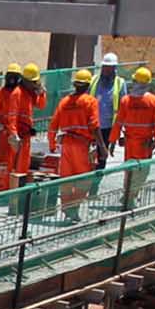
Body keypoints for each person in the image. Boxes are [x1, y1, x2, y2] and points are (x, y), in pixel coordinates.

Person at [48, 70, 103, 214]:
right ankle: (74, 207)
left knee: (66, 177)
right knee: (84, 179)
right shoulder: (90, 101)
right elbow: (95, 126)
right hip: (83, 145)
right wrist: (102, 147)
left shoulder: (65, 101)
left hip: (66, 145)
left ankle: (67, 207)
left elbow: (53, 125)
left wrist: (52, 145)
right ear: (88, 85)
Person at [112, 68, 155, 204]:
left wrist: (112, 140)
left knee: (129, 170)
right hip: (145, 144)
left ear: (135, 81)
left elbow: (118, 122)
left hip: (130, 143)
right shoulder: (153, 101)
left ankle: (127, 195)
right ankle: (131, 197)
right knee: (142, 171)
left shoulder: (126, 100)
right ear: (148, 83)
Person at [0, 62, 37, 184]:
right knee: (3, 161)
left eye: (14, 76)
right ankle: (1, 186)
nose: (11, 79)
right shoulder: (0, 94)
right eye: (10, 76)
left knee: (18, 162)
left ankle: (13, 186)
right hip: (5, 133)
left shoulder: (22, 94)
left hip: (18, 133)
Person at [90, 51, 126, 150]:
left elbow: (123, 108)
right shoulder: (93, 81)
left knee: (101, 157)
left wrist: (121, 132)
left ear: (114, 68)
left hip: (108, 127)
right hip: (92, 126)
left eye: (109, 67)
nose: (106, 69)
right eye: (105, 66)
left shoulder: (120, 83)